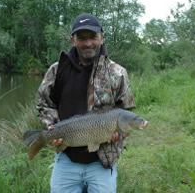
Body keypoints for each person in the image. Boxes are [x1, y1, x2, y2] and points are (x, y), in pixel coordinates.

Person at [35, 13, 136, 193]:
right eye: (82, 38)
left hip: (103, 161)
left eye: (93, 37)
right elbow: (44, 103)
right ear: (72, 40)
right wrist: (51, 126)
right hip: (66, 158)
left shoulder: (118, 73)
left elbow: (126, 113)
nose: (88, 43)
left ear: (102, 38)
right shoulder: (57, 70)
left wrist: (119, 134)